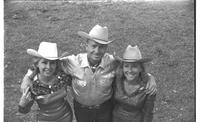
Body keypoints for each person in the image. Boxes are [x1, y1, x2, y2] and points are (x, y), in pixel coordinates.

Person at [20, 25, 157, 122]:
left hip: (105, 108)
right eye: (93, 46)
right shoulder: (72, 62)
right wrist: (28, 76)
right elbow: (48, 63)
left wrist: (149, 77)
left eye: (101, 47)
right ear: (86, 45)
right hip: (82, 109)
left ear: (106, 48)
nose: (97, 51)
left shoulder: (112, 62)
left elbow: (131, 69)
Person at [18, 42, 73, 122]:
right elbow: (23, 111)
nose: (48, 67)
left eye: (52, 63)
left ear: (56, 64)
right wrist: (22, 105)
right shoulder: (32, 84)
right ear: (37, 64)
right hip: (45, 119)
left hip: (66, 117)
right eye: (44, 62)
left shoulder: (63, 76)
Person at [112, 45, 156, 122]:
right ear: (122, 68)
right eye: (126, 66)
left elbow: (148, 113)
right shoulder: (117, 79)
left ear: (141, 68)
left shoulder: (148, 88)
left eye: (134, 66)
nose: (130, 70)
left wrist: (150, 77)